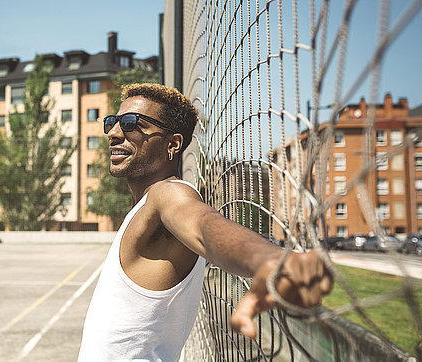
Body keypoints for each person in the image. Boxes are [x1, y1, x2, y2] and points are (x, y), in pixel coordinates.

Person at [77, 83, 332, 361]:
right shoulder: (146, 204)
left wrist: (271, 260)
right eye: (112, 122)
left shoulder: (168, 194)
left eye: (131, 124)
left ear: (173, 144)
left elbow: (204, 224)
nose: (114, 133)